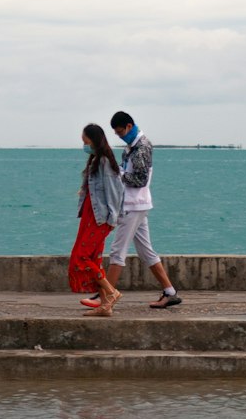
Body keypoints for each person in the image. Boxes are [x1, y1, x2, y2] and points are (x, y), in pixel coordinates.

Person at [83, 110, 182, 310]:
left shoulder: (142, 148)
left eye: (120, 132)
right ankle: (170, 292)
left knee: (117, 251)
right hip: (137, 204)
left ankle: (105, 296)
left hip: (134, 205)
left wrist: (116, 174)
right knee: (147, 252)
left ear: (129, 126)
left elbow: (140, 180)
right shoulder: (131, 148)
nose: (119, 136)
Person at [68, 123, 125, 317]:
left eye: (86, 141)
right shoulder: (96, 160)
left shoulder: (104, 162)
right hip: (91, 216)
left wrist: (112, 218)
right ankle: (105, 306)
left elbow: (115, 191)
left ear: (94, 140)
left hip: (99, 219)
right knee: (93, 259)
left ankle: (111, 292)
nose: (84, 144)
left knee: (81, 257)